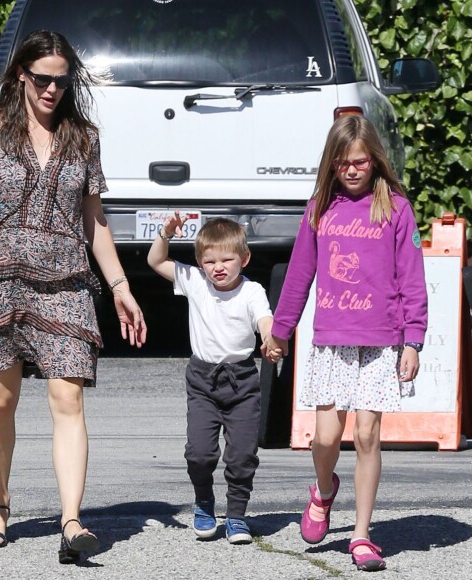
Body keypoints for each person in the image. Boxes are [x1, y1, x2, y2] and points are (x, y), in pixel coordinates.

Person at [0, 30, 147, 563]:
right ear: (21, 74)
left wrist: (120, 286)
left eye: (61, 80)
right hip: (1, 279)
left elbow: (94, 221)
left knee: (68, 398)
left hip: (67, 285)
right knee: (0, 401)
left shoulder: (84, 137)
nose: (52, 90)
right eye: (43, 79)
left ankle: (71, 521)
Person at [265, 115, 427, 572]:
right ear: (331, 165)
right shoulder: (321, 207)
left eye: (361, 162)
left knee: (369, 435)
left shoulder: (396, 208)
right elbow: (299, 274)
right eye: (343, 164)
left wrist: (412, 340)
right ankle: (323, 489)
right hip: (332, 341)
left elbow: (412, 279)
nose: (353, 170)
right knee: (328, 436)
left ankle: (361, 534)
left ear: (374, 160)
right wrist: (281, 330)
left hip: (380, 342)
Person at [148, 214, 280, 544]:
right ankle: (204, 503)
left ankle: (236, 516)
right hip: (203, 381)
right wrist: (165, 233)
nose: (217, 267)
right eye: (209, 260)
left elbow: (265, 320)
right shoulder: (194, 282)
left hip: (242, 382)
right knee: (200, 453)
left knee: (241, 456)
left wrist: (269, 338)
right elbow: (155, 260)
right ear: (200, 263)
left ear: (244, 258)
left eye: (226, 259)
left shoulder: (252, 292)